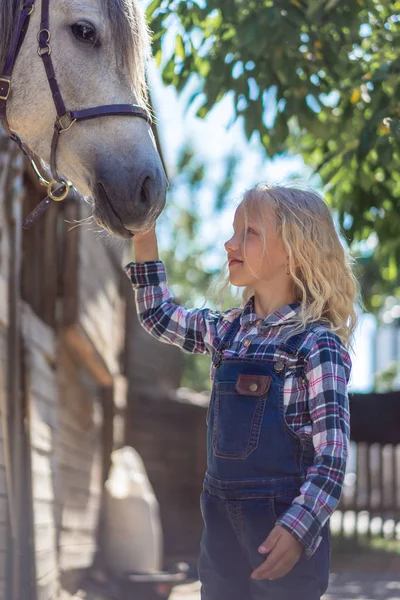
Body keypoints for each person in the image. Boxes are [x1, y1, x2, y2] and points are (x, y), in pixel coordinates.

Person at [124, 184, 358, 600]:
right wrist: (144, 232)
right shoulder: (226, 330)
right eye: (234, 231)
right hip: (219, 527)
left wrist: (299, 528)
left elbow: (332, 457)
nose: (229, 242)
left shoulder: (316, 344)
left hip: (282, 530)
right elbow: (159, 315)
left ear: (293, 250)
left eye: (248, 231)